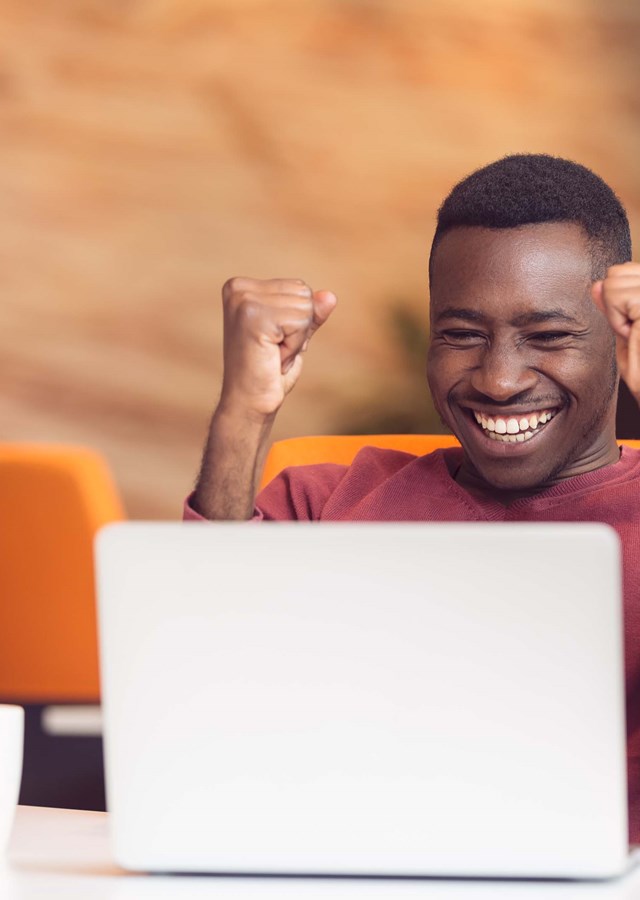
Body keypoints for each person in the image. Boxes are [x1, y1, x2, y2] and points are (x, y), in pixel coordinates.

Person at [187, 153, 640, 836]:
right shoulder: (331, 501)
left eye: (546, 337)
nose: (499, 379)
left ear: (621, 338)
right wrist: (243, 414)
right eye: (461, 336)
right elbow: (200, 661)